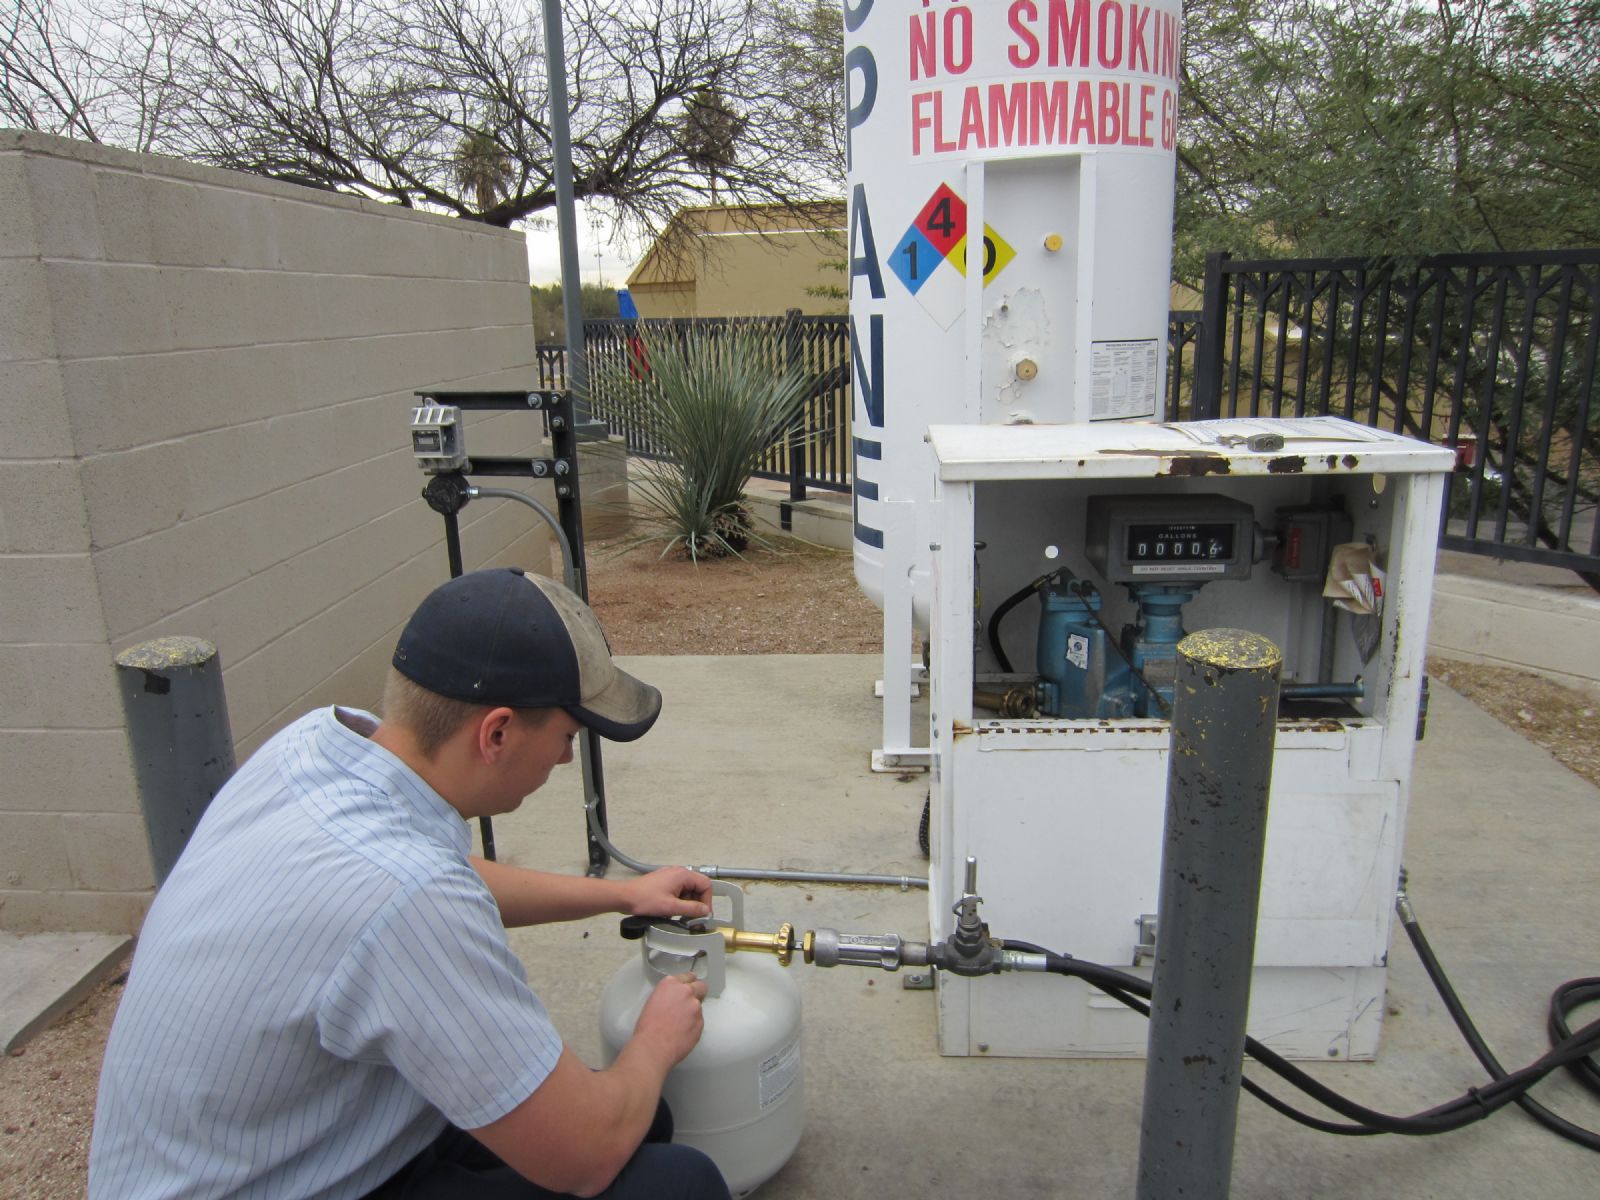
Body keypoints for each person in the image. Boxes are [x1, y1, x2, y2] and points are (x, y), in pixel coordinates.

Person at [89, 567, 731, 1200]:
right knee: (676, 1178)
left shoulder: (317, 746)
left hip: (274, 1147)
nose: (566, 759)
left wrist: (623, 894)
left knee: (642, 1121)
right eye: (566, 737)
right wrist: (654, 1042)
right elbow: (585, 1157)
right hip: (270, 1181)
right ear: (498, 732)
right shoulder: (409, 898)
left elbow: (429, 876)